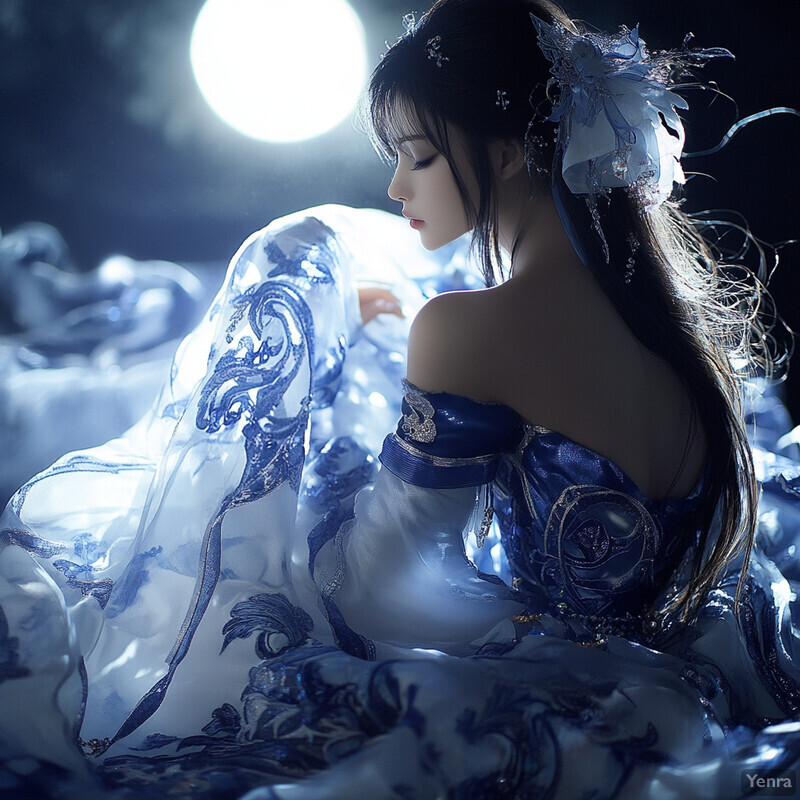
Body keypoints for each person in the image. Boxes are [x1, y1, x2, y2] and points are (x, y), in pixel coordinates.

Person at [1, 0, 799, 797]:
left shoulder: (468, 330)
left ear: (514, 151)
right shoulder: (685, 335)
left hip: (535, 709)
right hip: (686, 705)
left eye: (416, 155)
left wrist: (326, 463)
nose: (393, 185)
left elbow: (380, 591)